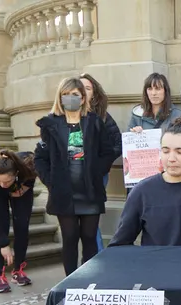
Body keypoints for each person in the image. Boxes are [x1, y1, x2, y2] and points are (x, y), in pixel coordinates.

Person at [34, 77, 117, 276]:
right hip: (64, 193)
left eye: (74, 95)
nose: (69, 98)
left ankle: (89, 279)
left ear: (82, 98)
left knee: (89, 237)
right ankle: (70, 280)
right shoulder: (51, 124)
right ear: (60, 97)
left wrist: (97, 171)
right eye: (65, 95)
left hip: (89, 191)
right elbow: (40, 157)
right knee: (70, 238)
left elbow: (107, 151)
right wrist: (51, 181)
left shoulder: (94, 122)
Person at [110, 117, 181, 246]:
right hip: (155, 264)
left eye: (180, 152)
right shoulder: (142, 191)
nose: (171, 158)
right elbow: (120, 243)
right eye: (165, 151)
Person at [0, 150, 36, 293]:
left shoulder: (27, 164)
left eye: (6, 181)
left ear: (16, 173)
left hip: (20, 188)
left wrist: (24, 188)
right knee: (0, 229)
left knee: (22, 225)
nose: (2, 184)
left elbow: (34, 174)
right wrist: (3, 243)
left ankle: (18, 270)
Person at [79, 73, 123, 251]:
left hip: (96, 176)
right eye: (79, 88)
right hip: (71, 174)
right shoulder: (64, 115)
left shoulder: (103, 116)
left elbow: (117, 143)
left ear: (94, 93)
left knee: (90, 217)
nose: (83, 91)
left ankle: (96, 256)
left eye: (88, 88)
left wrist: (101, 166)